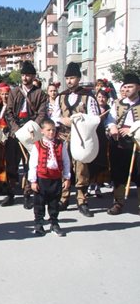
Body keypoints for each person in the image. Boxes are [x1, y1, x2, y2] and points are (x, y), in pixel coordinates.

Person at [52, 62, 98, 217]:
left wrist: (80, 119)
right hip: (64, 136)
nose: (69, 81)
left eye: (72, 78)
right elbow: (54, 116)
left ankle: (82, 200)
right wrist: (60, 121)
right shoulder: (61, 96)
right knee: (64, 167)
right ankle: (64, 198)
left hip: (81, 138)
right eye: (67, 78)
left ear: (79, 78)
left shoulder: (88, 96)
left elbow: (94, 118)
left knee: (81, 169)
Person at [2, 61, 48, 207]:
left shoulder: (39, 93)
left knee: (30, 164)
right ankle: (10, 193)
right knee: (11, 164)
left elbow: (41, 113)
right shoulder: (14, 92)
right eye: (23, 75)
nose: (25, 77)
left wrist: (31, 128)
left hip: (31, 131)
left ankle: (28, 194)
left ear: (33, 76)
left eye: (28, 75)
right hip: (15, 132)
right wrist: (15, 129)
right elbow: (8, 113)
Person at [105, 73, 140, 216]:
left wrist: (131, 128)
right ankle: (118, 202)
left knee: (139, 173)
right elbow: (110, 119)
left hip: (137, 142)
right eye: (125, 86)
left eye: (130, 86)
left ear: (138, 87)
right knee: (118, 173)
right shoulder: (117, 103)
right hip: (119, 142)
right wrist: (112, 126)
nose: (127, 89)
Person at [28, 119, 70, 236]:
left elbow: (66, 161)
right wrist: (33, 181)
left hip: (56, 178)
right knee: (39, 202)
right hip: (42, 178)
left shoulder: (61, 144)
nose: (51, 132)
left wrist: (66, 177)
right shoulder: (38, 145)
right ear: (42, 131)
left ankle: (54, 223)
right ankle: (39, 223)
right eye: (48, 130)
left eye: (53, 130)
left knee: (54, 202)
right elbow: (33, 164)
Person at [88, 88, 111, 197]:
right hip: (93, 136)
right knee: (91, 162)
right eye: (99, 97)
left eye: (103, 97)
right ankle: (88, 186)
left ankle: (98, 187)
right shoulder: (92, 108)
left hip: (103, 138)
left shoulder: (109, 110)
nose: (101, 99)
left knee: (101, 163)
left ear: (107, 99)